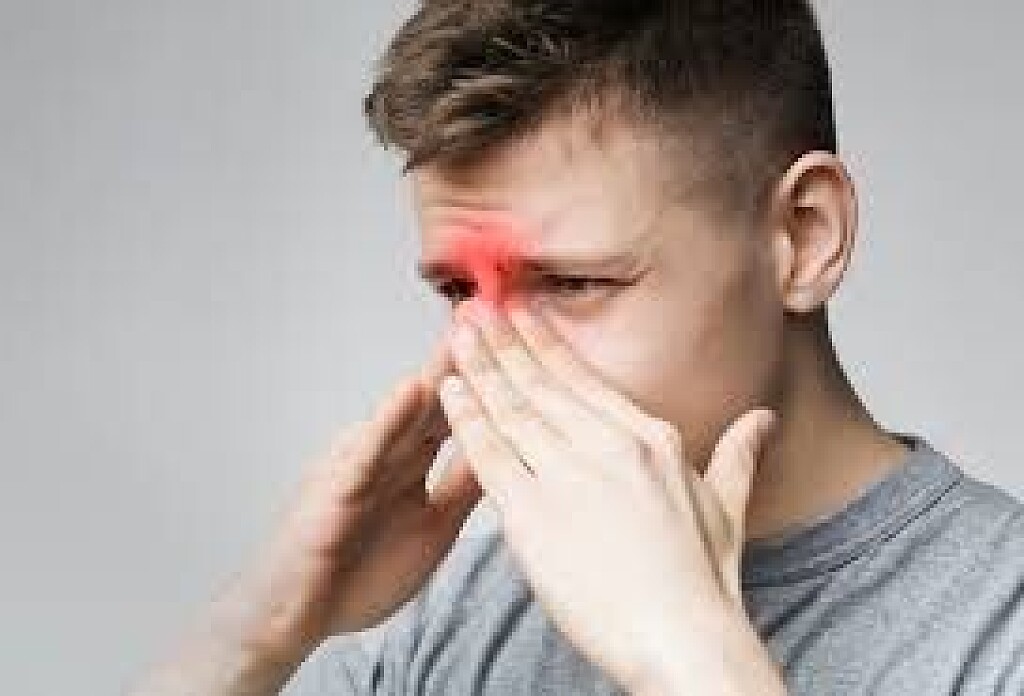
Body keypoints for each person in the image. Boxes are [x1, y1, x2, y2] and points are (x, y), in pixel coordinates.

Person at [129, 1, 1024, 694]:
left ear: (805, 235)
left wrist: (694, 662)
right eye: (458, 292)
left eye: (573, 284)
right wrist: (259, 627)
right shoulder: (466, 612)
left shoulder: (998, 629)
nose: (483, 362)